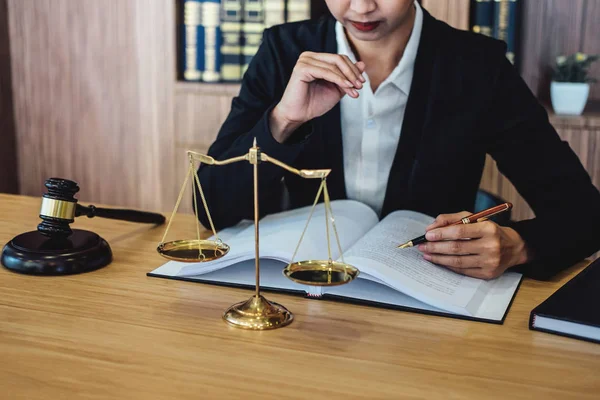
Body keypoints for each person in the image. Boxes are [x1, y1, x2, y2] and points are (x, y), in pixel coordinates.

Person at [196, 0, 600, 281]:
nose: (360, 8)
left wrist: (520, 246)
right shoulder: (283, 51)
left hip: (430, 297)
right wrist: (283, 121)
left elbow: (585, 214)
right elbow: (210, 207)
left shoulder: (478, 66)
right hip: (308, 291)